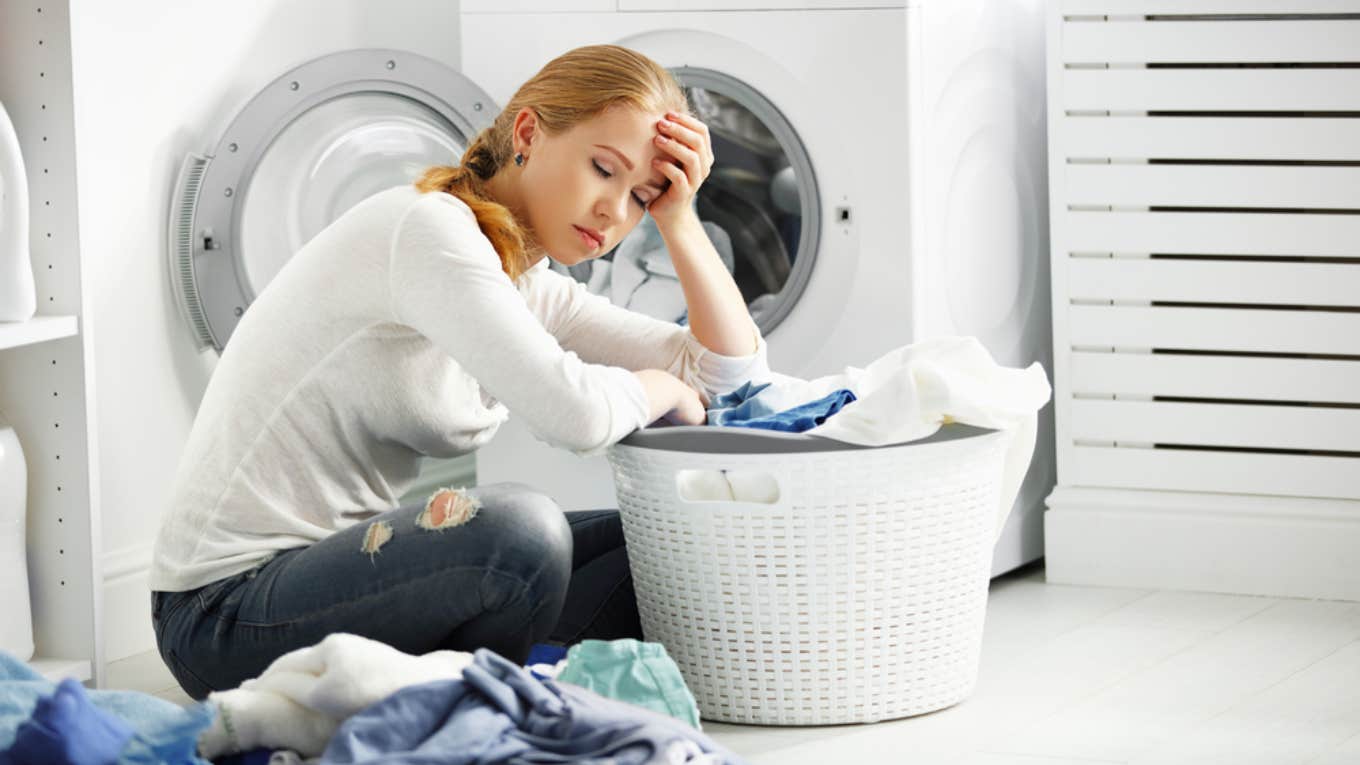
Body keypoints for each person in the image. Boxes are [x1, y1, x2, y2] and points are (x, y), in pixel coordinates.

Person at [148, 44, 770, 700]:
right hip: (223, 613)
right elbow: (577, 414)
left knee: (655, 542)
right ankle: (491, 701)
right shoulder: (429, 231)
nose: (615, 211)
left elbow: (726, 372)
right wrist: (663, 390)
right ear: (528, 133)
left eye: (640, 196)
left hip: (345, 582)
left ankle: (491, 686)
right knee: (520, 530)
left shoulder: (523, 279)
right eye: (602, 169)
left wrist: (681, 220)